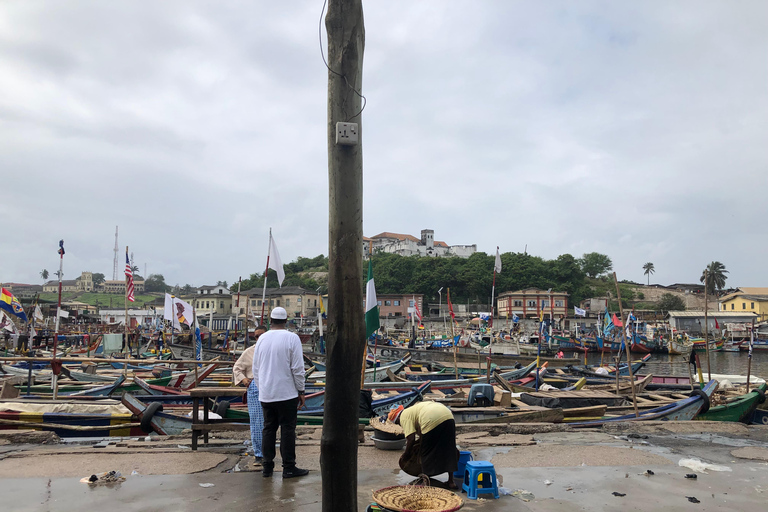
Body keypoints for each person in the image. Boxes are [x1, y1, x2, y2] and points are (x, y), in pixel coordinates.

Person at [252, 307, 308, 479]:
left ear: (271, 320)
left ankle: (267, 467)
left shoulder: (262, 339)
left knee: (268, 429)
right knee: (287, 430)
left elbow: (256, 368)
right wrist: (301, 390)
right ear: (287, 320)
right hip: (287, 393)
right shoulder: (292, 338)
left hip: (267, 393)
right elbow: (298, 369)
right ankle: (289, 467)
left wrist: (263, 388)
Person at [390, 401, 459, 489]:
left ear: (398, 417)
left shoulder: (404, 417)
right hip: (448, 416)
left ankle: (426, 483)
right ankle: (451, 482)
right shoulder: (414, 410)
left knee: (425, 452)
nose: (399, 425)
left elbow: (411, 439)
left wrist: (406, 455)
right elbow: (422, 436)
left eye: (397, 423)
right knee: (449, 449)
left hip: (431, 418)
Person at [232, 324, 268, 466]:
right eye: (256, 336)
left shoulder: (272, 350)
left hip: (270, 386)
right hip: (254, 386)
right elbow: (237, 368)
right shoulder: (249, 352)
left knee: (270, 421)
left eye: (261, 335)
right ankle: (259, 454)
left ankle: (269, 452)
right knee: (257, 421)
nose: (259, 338)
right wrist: (245, 380)